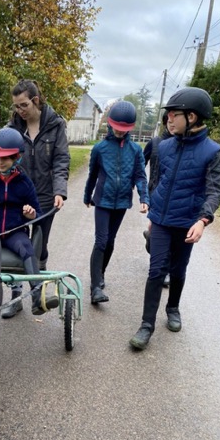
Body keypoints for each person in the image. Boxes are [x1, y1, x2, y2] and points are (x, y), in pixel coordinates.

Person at [130, 87, 220, 350]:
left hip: (187, 223)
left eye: (173, 115)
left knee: (178, 271)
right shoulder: (165, 147)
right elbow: (157, 180)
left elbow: (215, 189)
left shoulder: (211, 151)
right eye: (168, 116)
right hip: (161, 220)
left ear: (191, 117)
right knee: (156, 270)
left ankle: (173, 308)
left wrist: (203, 220)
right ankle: (146, 325)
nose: (168, 120)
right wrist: (154, 211)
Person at [0, 127, 59, 318]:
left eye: (5, 158)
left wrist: (31, 214)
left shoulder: (25, 183)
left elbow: (39, 214)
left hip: (15, 232)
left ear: (16, 157)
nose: (0, 162)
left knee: (26, 249)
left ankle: (35, 298)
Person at [4, 79, 70, 317]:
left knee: (39, 247)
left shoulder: (55, 125)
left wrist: (59, 190)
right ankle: (15, 297)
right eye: (16, 106)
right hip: (17, 196)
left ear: (35, 100)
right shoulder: (12, 128)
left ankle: (38, 296)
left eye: (23, 105)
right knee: (16, 245)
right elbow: (4, 156)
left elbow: (61, 159)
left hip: (43, 196)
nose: (19, 111)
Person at [83, 100, 149, 304]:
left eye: (124, 129)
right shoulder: (100, 148)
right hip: (102, 201)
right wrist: (87, 196)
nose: (120, 132)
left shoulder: (136, 150)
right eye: (117, 128)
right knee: (101, 240)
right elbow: (92, 174)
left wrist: (144, 198)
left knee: (110, 242)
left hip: (121, 202)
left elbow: (140, 175)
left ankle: (100, 275)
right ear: (110, 124)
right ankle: (95, 288)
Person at [143, 113, 176, 287]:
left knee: (170, 233)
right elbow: (140, 165)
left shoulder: (182, 145)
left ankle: (164, 270)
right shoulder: (155, 143)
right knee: (156, 234)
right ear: (164, 123)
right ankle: (150, 239)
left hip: (172, 197)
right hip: (154, 193)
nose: (171, 125)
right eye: (167, 122)